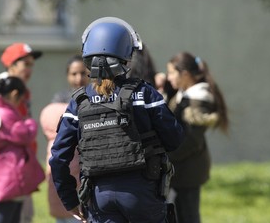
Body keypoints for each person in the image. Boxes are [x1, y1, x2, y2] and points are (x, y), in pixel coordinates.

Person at [49, 17, 185, 223]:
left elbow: (59, 157)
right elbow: (174, 139)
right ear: (126, 56)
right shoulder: (144, 94)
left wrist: (69, 200)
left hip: (98, 198)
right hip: (143, 194)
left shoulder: (78, 102)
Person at [165, 52, 229, 223]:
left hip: (187, 171)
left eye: (172, 73)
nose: (168, 77)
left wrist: (167, 158)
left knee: (187, 215)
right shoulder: (184, 96)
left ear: (184, 74)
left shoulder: (197, 100)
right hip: (183, 170)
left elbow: (192, 141)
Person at [0, 76, 45, 223]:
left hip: (6, 175)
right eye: (21, 99)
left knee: (11, 216)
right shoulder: (5, 113)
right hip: (7, 177)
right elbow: (24, 135)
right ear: (15, 94)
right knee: (4, 216)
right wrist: (30, 123)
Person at [42, 55, 89, 223]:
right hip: (67, 167)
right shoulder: (60, 100)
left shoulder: (95, 97)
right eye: (74, 74)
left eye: (83, 73)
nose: (79, 78)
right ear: (67, 76)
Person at [0, 42, 43, 223]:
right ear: (11, 65)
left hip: (23, 163)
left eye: (31, 64)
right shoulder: (3, 92)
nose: (30, 69)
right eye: (26, 64)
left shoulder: (24, 91)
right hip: (9, 166)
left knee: (24, 216)